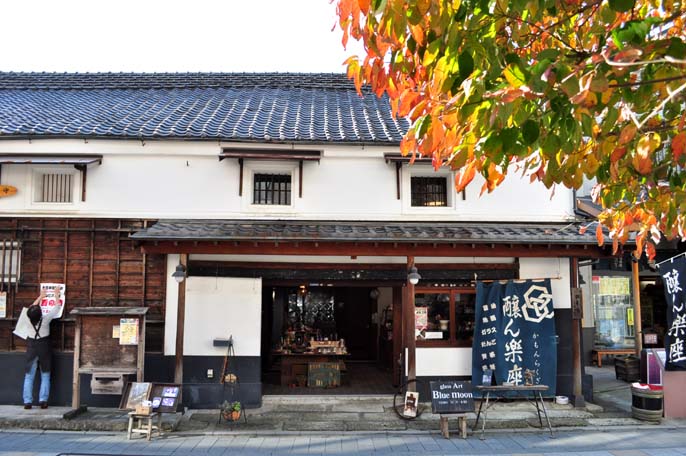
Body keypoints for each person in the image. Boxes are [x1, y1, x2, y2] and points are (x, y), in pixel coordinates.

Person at [23, 290, 53, 409]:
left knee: (29, 375)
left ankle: (27, 401)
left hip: (31, 346)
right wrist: (56, 295)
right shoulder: (45, 320)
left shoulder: (27, 319)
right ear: (40, 314)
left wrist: (40, 297)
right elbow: (56, 307)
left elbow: (31, 308)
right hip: (44, 347)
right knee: (45, 374)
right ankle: (43, 400)